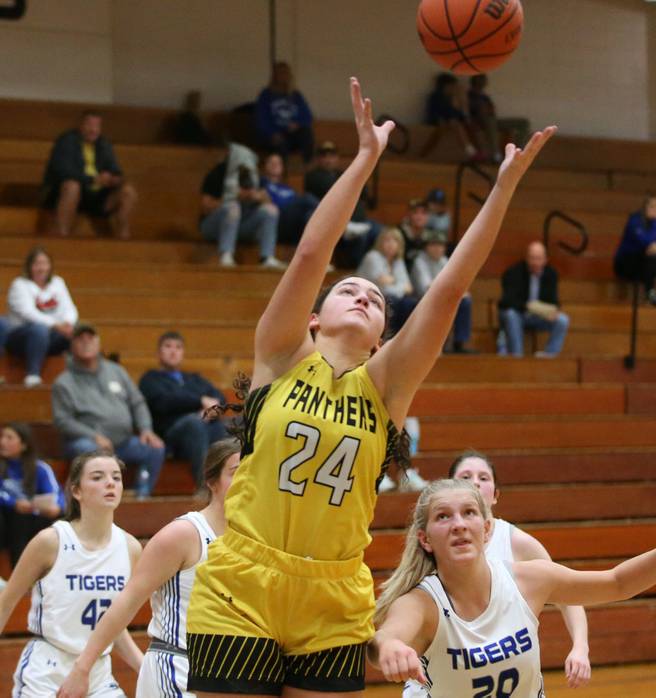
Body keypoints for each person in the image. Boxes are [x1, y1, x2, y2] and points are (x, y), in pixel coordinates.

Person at [184, 76, 557, 696]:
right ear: (313, 316)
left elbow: (447, 292)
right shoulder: (279, 353)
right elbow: (309, 255)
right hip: (241, 580)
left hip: (335, 593)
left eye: (376, 297)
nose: (363, 294)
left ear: (383, 336)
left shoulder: (385, 386)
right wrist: (363, 162)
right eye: (348, 290)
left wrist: (503, 190)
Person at [369, 479, 656, 697]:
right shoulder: (423, 602)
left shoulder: (528, 580)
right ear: (425, 539)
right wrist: (389, 648)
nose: (459, 525)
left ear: (487, 529)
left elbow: (618, 582)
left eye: (469, 513)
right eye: (444, 517)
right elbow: (387, 636)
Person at [56, 438, 240, 698]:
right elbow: (126, 602)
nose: (247, 479)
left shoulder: (256, 539)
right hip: (176, 666)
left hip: (226, 674)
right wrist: (82, 668)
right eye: (236, 472)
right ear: (212, 482)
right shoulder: (184, 533)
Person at [0, 452, 143, 696]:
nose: (110, 483)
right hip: (47, 668)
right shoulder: (51, 541)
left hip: (97, 670)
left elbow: (114, 627)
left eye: (116, 477)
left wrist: (147, 669)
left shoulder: (130, 547)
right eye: (98, 477)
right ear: (76, 491)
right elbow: (5, 604)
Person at [448, 451, 591, 687]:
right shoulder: (436, 541)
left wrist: (580, 647)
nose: (475, 482)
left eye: (484, 478)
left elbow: (570, 595)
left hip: (510, 678)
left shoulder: (518, 542)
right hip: (453, 673)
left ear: (495, 495)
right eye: (465, 477)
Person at [51, 324, 165, 498]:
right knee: (87, 449)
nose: (86, 343)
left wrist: (146, 429)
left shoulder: (116, 371)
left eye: (91, 339)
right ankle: (95, 498)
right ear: (71, 346)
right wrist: (93, 435)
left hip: (123, 442)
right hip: (87, 443)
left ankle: (142, 495)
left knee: (154, 448)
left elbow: (137, 402)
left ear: (98, 343)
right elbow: (63, 420)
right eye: (80, 339)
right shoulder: (64, 382)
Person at [139, 331, 228, 489]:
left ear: (183, 353)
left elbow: (218, 397)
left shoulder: (193, 378)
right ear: (159, 353)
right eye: (168, 346)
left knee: (232, 424)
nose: (173, 351)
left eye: (178, 347)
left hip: (205, 428)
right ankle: (204, 489)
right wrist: (199, 401)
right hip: (172, 437)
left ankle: (230, 486)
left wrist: (213, 410)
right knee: (194, 424)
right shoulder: (150, 379)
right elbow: (164, 402)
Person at [40, 110, 137, 239]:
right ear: (81, 125)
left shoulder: (104, 144)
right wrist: (93, 179)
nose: (93, 130)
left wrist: (113, 179)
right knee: (72, 186)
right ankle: (61, 235)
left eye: (97, 126)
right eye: (90, 125)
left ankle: (123, 238)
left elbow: (116, 170)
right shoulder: (67, 141)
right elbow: (63, 172)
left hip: (96, 197)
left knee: (128, 192)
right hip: (66, 195)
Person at [200, 143, 285, 269]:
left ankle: (267, 257)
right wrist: (232, 198)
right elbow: (205, 207)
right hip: (215, 226)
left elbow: (267, 200)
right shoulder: (218, 173)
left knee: (271, 210)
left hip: (243, 226)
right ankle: (226, 255)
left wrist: (256, 197)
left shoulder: (252, 175)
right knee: (233, 207)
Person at [5, 246, 78, 387]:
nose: (41, 268)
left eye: (45, 263)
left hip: (52, 335)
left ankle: (79, 376)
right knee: (39, 330)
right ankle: (32, 375)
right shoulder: (19, 285)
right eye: (37, 264)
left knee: (80, 331)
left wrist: (68, 324)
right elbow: (28, 313)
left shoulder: (58, 282)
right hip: (21, 337)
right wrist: (56, 325)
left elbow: (69, 308)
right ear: (29, 266)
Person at [304, 140, 381, 268]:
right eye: (324, 156)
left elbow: (364, 191)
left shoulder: (343, 174)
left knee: (380, 231)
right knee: (359, 237)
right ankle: (352, 267)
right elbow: (330, 188)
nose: (328, 159)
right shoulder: (312, 176)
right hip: (330, 220)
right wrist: (351, 185)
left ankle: (366, 269)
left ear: (337, 158)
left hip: (357, 220)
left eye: (332, 155)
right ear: (318, 159)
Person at [0, 422, 64, 567]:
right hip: (7, 520)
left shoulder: (40, 468)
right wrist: (13, 503)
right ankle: (16, 571)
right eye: (2, 437)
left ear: (24, 445)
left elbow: (56, 493)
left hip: (32, 517)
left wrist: (57, 507)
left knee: (61, 518)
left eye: (9, 438)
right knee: (17, 518)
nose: (2, 442)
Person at [498, 241, 570, 358]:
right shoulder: (514, 272)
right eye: (533, 258)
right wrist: (528, 306)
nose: (535, 262)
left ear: (545, 259)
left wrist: (552, 311)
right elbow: (506, 301)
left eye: (539, 258)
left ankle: (549, 356)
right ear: (527, 258)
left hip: (539, 316)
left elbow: (554, 302)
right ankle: (517, 356)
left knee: (562, 320)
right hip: (519, 314)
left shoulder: (551, 274)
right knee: (511, 315)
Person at [411, 230, 474, 354]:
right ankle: (436, 345)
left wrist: (460, 292)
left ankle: (459, 343)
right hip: (422, 301)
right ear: (426, 247)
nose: (437, 248)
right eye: (434, 245)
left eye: (441, 245)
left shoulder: (444, 260)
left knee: (465, 301)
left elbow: (455, 282)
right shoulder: (420, 261)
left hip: (441, 297)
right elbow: (427, 288)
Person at [614, 194, 656, 305]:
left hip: (649, 262)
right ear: (644, 207)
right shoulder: (634, 220)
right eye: (652, 206)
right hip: (629, 262)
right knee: (652, 256)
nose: (655, 209)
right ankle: (650, 292)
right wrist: (655, 244)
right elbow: (641, 239)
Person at [356, 227, 417, 335]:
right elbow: (384, 287)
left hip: (388, 296)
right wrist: (399, 284)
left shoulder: (398, 261)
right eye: (387, 240)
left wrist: (393, 281)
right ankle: (388, 337)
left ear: (400, 245)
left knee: (409, 303)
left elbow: (409, 288)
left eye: (395, 240)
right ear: (380, 242)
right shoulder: (373, 257)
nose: (391, 244)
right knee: (392, 300)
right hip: (366, 295)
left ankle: (402, 337)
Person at [254, 61, 315, 163]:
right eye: (280, 73)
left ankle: (307, 167)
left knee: (307, 134)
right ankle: (282, 174)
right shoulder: (266, 95)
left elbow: (308, 117)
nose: (283, 76)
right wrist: (272, 133)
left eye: (285, 73)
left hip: (292, 134)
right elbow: (261, 119)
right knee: (280, 144)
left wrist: (297, 124)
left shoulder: (296, 95)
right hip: (274, 135)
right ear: (275, 76)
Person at [467, 74, 531, 163]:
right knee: (490, 121)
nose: (484, 81)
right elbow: (468, 113)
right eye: (481, 79)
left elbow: (492, 111)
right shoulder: (468, 95)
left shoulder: (485, 97)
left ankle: (518, 153)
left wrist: (488, 110)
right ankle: (495, 154)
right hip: (479, 122)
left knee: (523, 122)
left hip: (492, 121)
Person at [260, 152, 318, 246]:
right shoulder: (262, 183)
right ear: (265, 166)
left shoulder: (286, 188)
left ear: (283, 167)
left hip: (291, 224)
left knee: (309, 215)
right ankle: (337, 222)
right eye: (271, 162)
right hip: (277, 220)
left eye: (278, 163)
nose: (275, 165)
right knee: (307, 198)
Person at [420, 73, 479, 160]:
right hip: (437, 121)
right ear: (446, 86)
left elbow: (458, 115)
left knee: (463, 125)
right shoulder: (436, 96)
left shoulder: (451, 98)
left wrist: (461, 105)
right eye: (452, 86)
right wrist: (442, 120)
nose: (454, 88)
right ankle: (470, 151)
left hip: (450, 122)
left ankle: (478, 151)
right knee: (454, 125)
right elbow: (434, 112)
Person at [399, 198, 434, 267]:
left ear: (429, 216)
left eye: (424, 213)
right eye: (415, 212)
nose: (419, 217)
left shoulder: (431, 236)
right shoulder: (399, 233)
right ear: (409, 214)